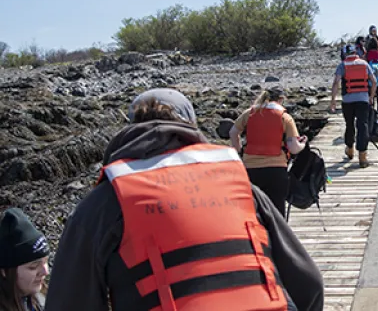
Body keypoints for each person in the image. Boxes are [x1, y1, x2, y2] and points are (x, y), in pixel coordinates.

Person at [46, 88, 324, 311]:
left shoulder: (105, 201)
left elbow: (68, 301)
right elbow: (310, 285)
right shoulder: (239, 184)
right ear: (190, 127)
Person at [229, 86, 307, 217]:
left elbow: (233, 132)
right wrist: (303, 144)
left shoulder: (249, 113)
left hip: (251, 169)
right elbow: (293, 147)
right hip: (276, 170)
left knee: (254, 211)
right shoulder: (285, 117)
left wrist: (239, 151)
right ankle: (276, 236)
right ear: (281, 99)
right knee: (277, 213)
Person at [330, 45, 377, 168]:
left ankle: (350, 149)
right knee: (363, 125)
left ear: (345, 54)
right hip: (363, 100)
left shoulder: (342, 65)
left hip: (348, 101)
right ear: (356, 52)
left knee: (349, 124)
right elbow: (374, 81)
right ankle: (362, 157)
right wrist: (371, 97)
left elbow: (336, 83)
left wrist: (333, 100)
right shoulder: (364, 64)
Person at [0, 208, 49, 311]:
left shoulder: (39, 298)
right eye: (33, 267)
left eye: (45, 262)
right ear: (4, 271)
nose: (45, 272)